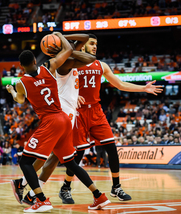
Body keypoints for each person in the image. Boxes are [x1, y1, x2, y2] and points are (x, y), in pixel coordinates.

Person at [6, 32, 109, 212]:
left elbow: (20, 100)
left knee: (25, 163)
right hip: (64, 118)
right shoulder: (50, 67)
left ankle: (41, 200)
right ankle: (99, 196)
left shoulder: (21, 83)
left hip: (50, 122)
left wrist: (11, 92)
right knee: (71, 163)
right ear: (35, 61)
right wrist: (60, 36)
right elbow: (69, 49)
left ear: (21, 66)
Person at [56, 34, 162, 203]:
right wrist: (71, 97)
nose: (95, 46)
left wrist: (144, 88)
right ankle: (66, 188)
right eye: (91, 44)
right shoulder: (72, 64)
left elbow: (120, 84)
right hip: (78, 112)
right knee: (78, 153)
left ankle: (116, 187)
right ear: (83, 47)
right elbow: (57, 84)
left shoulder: (101, 65)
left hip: (96, 111)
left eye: (96, 44)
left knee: (112, 148)